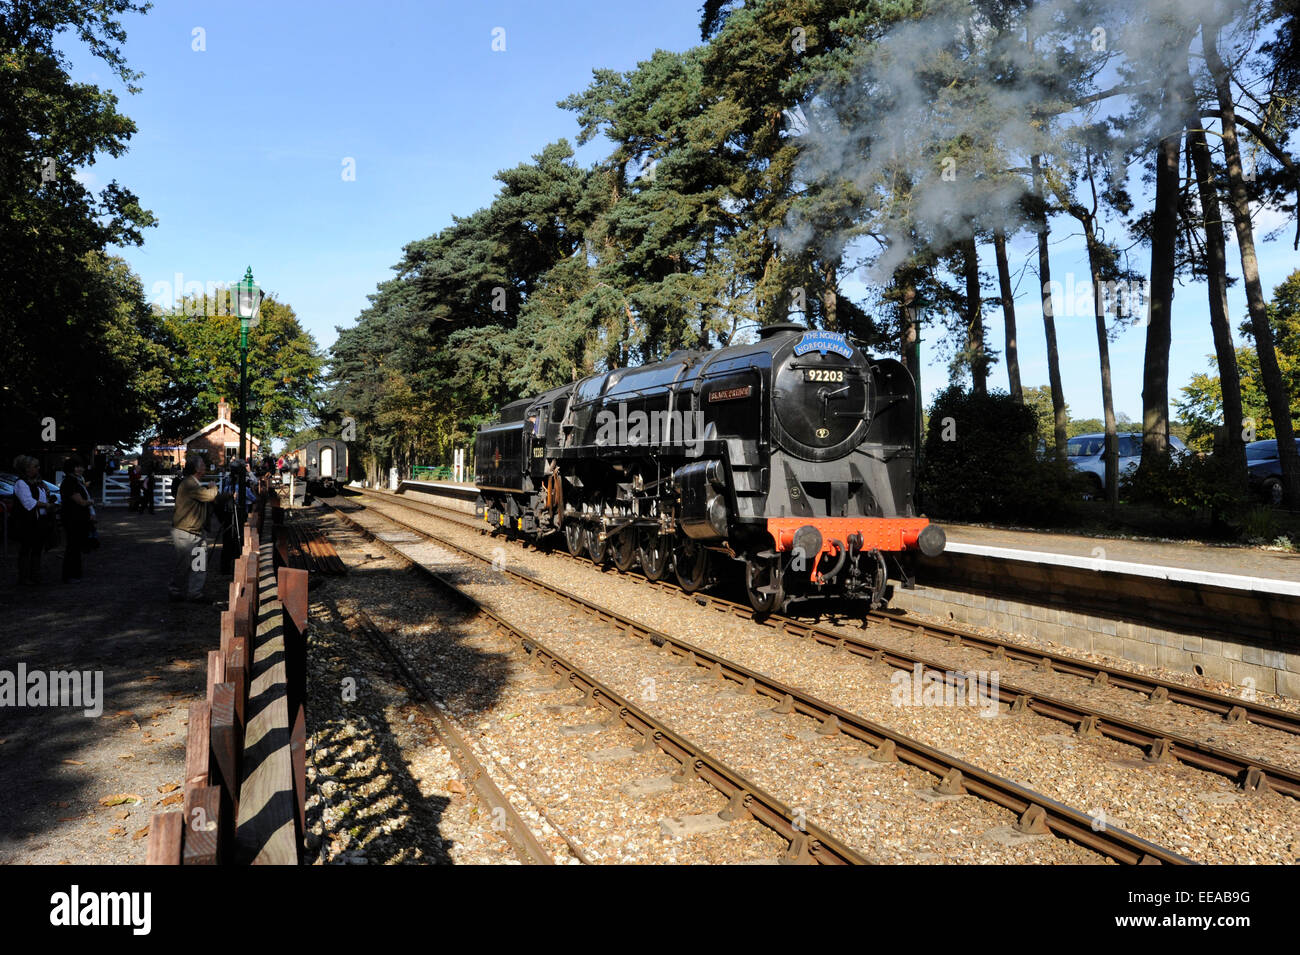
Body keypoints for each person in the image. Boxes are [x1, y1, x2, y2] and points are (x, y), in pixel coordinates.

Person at [169, 453, 230, 603]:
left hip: (196, 531)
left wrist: (229, 496)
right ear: (197, 469)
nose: (205, 466)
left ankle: (195, 593)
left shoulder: (194, 484)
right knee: (183, 564)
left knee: (199, 563)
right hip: (185, 532)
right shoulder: (189, 484)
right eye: (202, 464)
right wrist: (214, 487)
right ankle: (174, 590)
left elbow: (210, 498)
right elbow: (209, 496)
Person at [12, 455, 54, 585]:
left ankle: (35, 575)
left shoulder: (38, 482)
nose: (38, 469)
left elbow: (43, 497)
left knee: (36, 548)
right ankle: (24, 577)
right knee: (26, 549)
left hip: (39, 520)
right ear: (27, 468)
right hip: (27, 521)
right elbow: (28, 502)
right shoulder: (21, 483)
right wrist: (45, 505)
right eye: (35, 466)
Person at [59, 455, 94, 583]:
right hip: (73, 518)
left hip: (76, 517)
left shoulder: (75, 480)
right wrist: (90, 502)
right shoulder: (70, 482)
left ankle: (75, 573)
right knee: (72, 546)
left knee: (75, 546)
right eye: (78, 467)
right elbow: (80, 502)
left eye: (81, 467)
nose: (81, 469)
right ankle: (69, 575)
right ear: (71, 468)